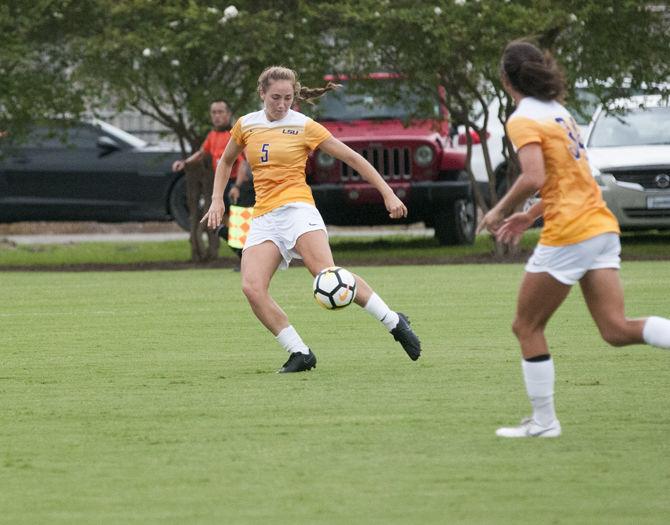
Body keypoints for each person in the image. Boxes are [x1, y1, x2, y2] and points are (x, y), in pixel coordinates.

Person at [477, 40, 670, 438]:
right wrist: (528, 214)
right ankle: (543, 421)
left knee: (525, 326)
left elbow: (533, 178)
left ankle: (544, 422)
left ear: (505, 78)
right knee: (615, 329)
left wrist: (496, 210)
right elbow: (565, 180)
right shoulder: (559, 112)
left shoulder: (523, 118)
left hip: (571, 231)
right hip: (600, 225)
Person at [201, 65, 422, 373]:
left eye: (288, 98)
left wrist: (388, 193)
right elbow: (226, 162)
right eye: (275, 97)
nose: (281, 104)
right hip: (265, 217)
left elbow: (353, 158)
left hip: (298, 210)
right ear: (261, 93)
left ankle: (393, 321)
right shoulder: (245, 124)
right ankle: (299, 352)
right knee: (252, 287)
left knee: (327, 275)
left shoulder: (304, 125)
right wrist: (216, 201)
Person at [172, 100, 248, 250]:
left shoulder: (234, 134)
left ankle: (246, 257)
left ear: (228, 114)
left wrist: (237, 186)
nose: (217, 116)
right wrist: (185, 162)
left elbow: (242, 163)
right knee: (220, 224)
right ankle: (242, 255)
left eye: (220, 112)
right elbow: (202, 153)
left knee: (239, 226)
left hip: (236, 184)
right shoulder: (212, 135)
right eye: (214, 112)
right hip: (222, 183)